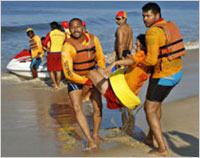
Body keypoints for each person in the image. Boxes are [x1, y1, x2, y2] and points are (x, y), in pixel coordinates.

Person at [141, 2, 185, 156]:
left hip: (163, 75)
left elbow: (152, 61)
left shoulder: (152, 32)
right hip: (177, 72)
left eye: (148, 15)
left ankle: (162, 148)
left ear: (157, 15)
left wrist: (136, 61)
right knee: (156, 104)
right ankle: (150, 137)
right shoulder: (170, 25)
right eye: (143, 16)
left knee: (149, 109)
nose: (145, 19)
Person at [61, 18, 106, 151]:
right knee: (77, 108)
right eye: (72, 27)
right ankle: (90, 140)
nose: (75, 29)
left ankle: (96, 135)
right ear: (69, 30)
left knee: (98, 108)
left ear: (83, 27)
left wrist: (100, 73)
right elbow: (68, 73)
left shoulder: (93, 39)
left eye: (78, 26)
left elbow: (100, 58)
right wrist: (85, 81)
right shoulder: (67, 47)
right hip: (76, 81)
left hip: (93, 78)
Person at [86, 34, 151, 117]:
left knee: (90, 72)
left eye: (137, 45)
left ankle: (86, 98)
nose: (135, 48)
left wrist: (114, 63)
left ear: (144, 47)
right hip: (128, 97)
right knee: (100, 70)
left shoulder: (141, 54)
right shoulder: (148, 60)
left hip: (117, 95)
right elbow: (134, 68)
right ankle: (90, 96)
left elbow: (132, 61)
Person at [43, 21, 66, 89]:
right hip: (60, 53)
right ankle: (58, 85)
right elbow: (65, 43)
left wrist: (46, 48)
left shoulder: (50, 33)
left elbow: (44, 42)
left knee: (51, 70)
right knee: (58, 70)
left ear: (52, 27)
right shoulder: (63, 34)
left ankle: (54, 85)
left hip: (52, 53)